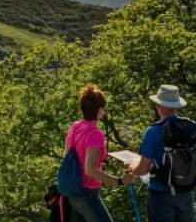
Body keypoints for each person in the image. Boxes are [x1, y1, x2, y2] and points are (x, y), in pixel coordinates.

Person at [65, 84, 133, 222]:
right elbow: (90, 170)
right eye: (103, 108)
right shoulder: (96, 134)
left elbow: (67, 157)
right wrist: (119, 181)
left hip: (72, 190)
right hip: (88, 193)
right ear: (99, 110)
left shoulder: (75, 126)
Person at [126, 84, 193, 222]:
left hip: (160, 195)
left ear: (158, 106)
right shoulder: (192, 127)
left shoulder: (152, 132)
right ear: (176, 106)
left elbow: (142, 170)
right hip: (185, 193)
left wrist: (131, 167)